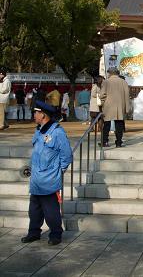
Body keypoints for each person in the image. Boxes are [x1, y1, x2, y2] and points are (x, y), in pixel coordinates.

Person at [21, 100, 72, 245]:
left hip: (49, 179)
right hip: (37, 179)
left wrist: (58, 171)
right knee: (34, 210)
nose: (34, 115)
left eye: (35, 113)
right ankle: (34, 233)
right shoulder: (38, 130)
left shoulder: (57, 132)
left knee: (51, 211)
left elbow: (66, 155)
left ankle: (56, 234)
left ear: (42, 115)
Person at [100, 67, 130, 148]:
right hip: (120, 105)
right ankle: (119, 142)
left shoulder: (106, 82)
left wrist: (102, 103)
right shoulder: (123, 82)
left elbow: (102, 95)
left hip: (108, 105)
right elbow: (127, 95)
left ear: (109, 73)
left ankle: (105, 141)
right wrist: (127, 107)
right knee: (119, 124)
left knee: (106, 124)